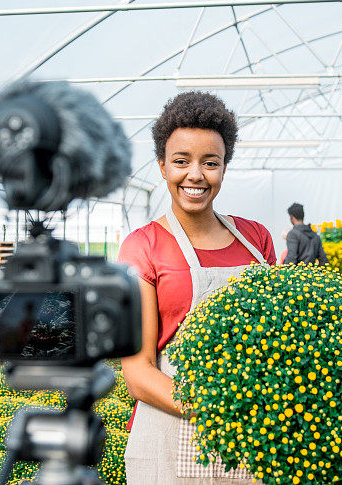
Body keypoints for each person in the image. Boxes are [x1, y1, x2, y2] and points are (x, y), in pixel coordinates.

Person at [118, 91, 276, 484]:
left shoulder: (257, 239)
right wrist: (220, 408)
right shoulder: (143, 247)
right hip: (170, 431)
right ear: (162, 166)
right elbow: (138, 373)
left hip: (253, 437)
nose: (195, 175)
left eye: (210, 163)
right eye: (181, 162)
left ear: (224, 167)